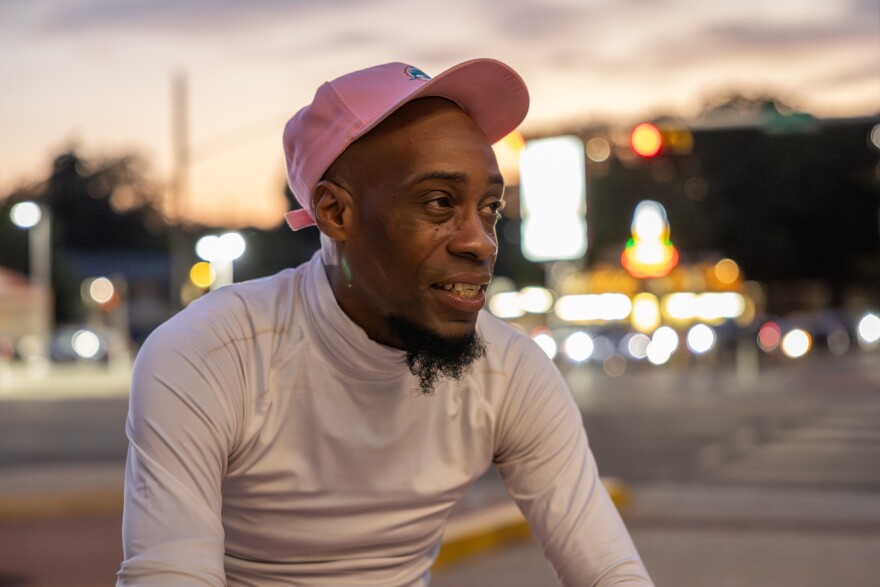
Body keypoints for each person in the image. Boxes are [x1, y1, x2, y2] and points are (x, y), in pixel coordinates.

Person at [117, 58, 653, 586]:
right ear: (335, 213)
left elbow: (608, 570)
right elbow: (169, 572)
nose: (480, 242)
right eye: (440, 203)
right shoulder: (211, 354)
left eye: (489, 207)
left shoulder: (511, 372)